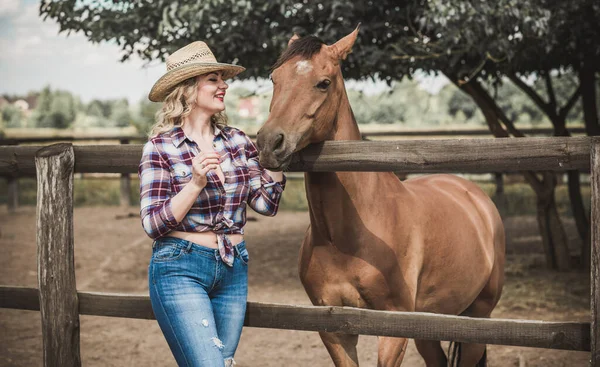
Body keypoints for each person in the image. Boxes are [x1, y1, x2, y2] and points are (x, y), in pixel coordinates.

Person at [138, 41, 285, 367]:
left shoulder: (237, 141)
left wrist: (275, 161)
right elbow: (152, 224)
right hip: (180, 267)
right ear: (188, 90)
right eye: (214, 79)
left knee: (222, 362)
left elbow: (264, 205)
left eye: (223, 78)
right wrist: (195, 184)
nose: (224, 85)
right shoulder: (161, 147)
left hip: (234, 266)